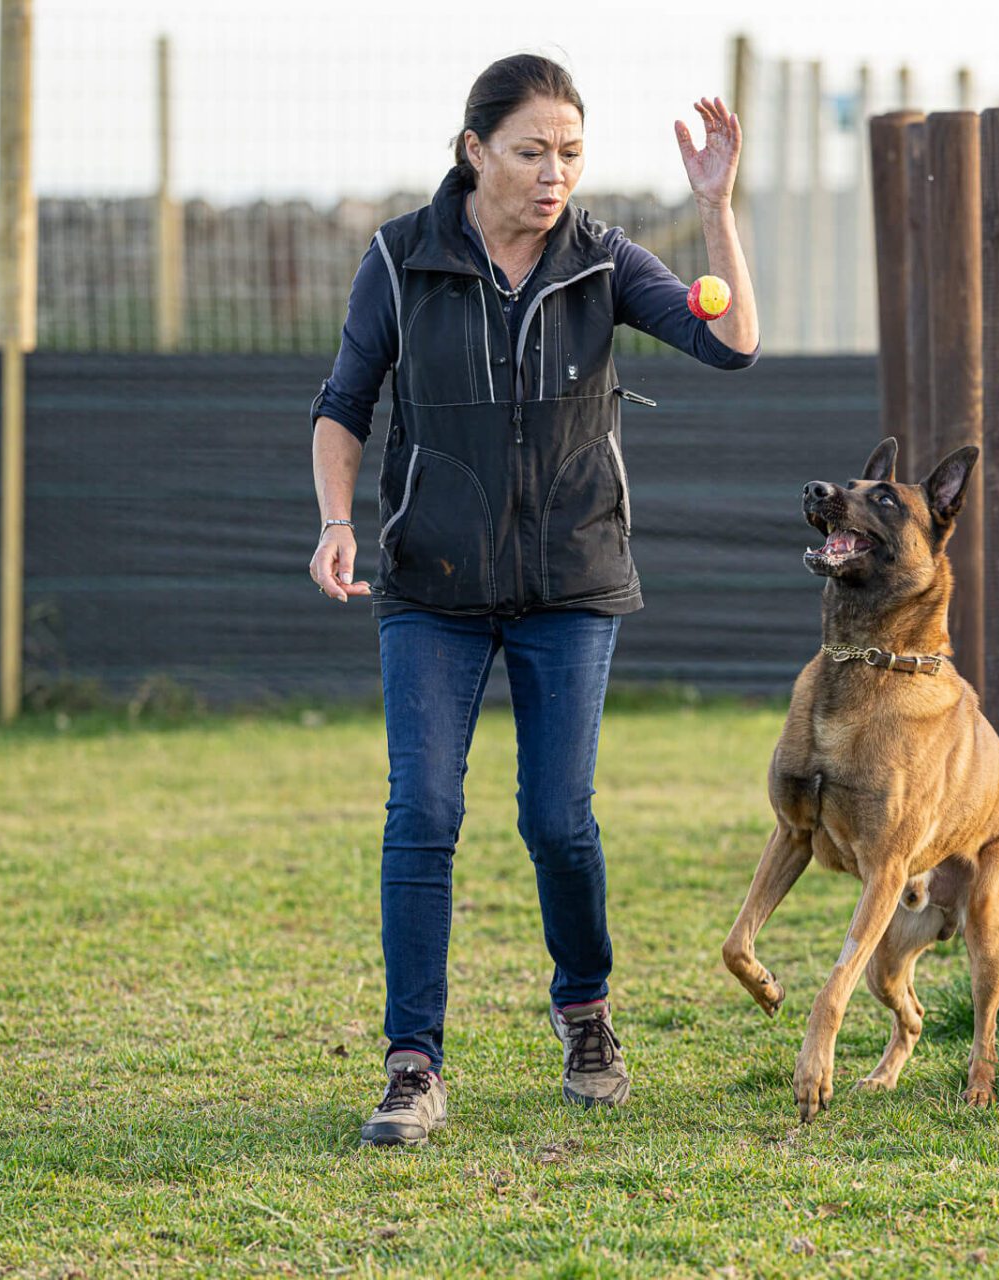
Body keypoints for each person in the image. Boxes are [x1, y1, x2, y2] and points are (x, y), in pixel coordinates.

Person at [305, 53, 759, 1145]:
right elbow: (342, 404)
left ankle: (587, 1011)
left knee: (557, 818)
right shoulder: (399, 258)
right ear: (474, 152)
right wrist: (335, 519)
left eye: (570, 153)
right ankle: (413, 1063)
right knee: (424, 812)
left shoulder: (600, 261)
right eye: (530, 152)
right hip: (433, 585)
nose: (553, 173)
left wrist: (716, 209)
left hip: (572, 579)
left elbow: (733, 341)